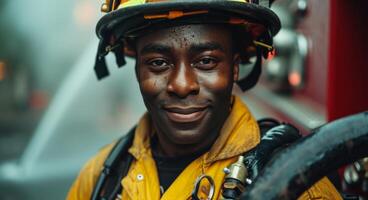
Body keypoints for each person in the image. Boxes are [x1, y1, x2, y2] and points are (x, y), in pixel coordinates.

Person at [67, 0, 341, 199]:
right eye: (159, 63)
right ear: (138, 68)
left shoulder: (297, 184)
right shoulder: (99, 178)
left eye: (206, 61)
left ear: (234, 68)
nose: (182, 85)